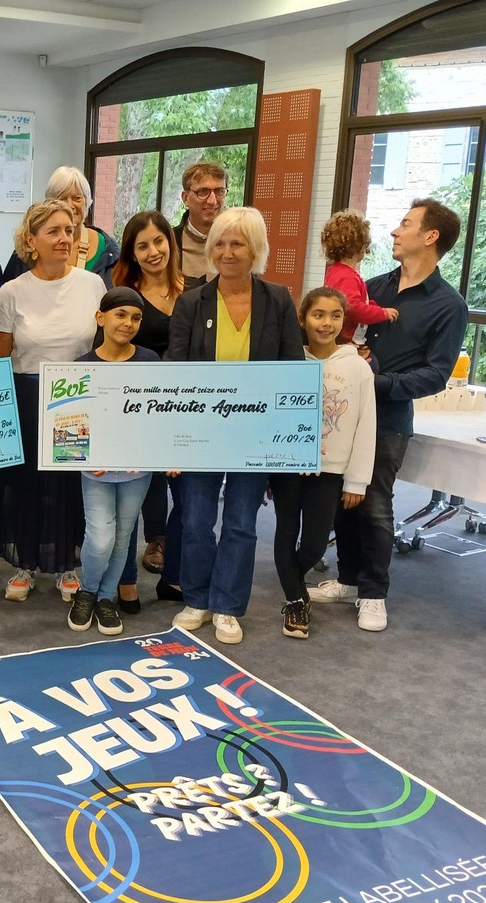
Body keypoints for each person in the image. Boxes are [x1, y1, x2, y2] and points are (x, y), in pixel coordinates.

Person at [310, 199, 468, 632]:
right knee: (341, 497)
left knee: (375, 504)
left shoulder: (448, 305)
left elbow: (435, 375)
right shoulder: (371, 287)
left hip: (390, 417)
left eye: (405, 224)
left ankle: (374, 592)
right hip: (342, 414)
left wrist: (371, 382)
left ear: (431, 237)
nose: (395, 232)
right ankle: (347, 579)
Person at [165, 206, 303, 646]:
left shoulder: (278, 300)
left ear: (256, 250)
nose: (227, 252)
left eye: (237, 243)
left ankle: (227, 605)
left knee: (242, 522)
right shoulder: (191, 302)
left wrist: (287, 444)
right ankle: (198, 599)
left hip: (254, 437)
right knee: (197, 519)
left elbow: (292, 370)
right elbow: (175, 373)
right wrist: (171, 443)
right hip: (200, 434)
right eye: (220, 243)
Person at [0, 199, 105, 602]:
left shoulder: (92, 285)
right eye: (53, 231)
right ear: (31, 240)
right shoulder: (11, 292)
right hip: (27, 397)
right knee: (26, 485)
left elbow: (105, 347)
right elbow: (0, 357)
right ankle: (26, 564)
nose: (63, 238)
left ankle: (67, 565)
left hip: (77, 399)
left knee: (70, 485)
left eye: (69, 230)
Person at [106, 210, 198, 609]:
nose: (152, 250)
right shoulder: (125, 297)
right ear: (132, 253)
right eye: (142, 245)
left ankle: (174, 576)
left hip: (187, 410)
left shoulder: (197, 291)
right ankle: (126, 581)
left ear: (170, 243)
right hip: (137, 411)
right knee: (129, 501)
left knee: (190, 499)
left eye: (158, 241)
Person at [272, 287, 375, 640]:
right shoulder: (288, 360)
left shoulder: (357, 368)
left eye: (335, 315)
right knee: (285, 531)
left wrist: (357, 481)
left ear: (344, 321)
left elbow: (365, 425)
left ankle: (292, 579)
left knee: (315, 544)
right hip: (286, 465)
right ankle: (296, 601)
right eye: (318, 314)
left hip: (330, 471)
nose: (326, 323)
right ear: (303, 319)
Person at [68, 288, 159, 638]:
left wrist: (149, 451)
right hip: (97, 471)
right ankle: (87, 590)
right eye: (121, 315)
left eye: (136, 317)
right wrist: (90, 456)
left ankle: (106, 597)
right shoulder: (81, 367)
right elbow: (72, 424)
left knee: (122, 537)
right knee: (101, 536)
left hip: (138, 469)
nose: (129, 323)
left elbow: (158, 415)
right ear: (100, 318)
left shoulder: (150, 362)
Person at [1, 167, 119, 287]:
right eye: (61, 199)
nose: (69, 205)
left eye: (77, 198)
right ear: (49, 204)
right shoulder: (29, 247)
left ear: (87, 201)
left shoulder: (108, 252)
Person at [320, 209, 399, 343]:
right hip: (345, 340)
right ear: (360, 245)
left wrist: (372, 307)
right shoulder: (347, 277)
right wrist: (382, 313)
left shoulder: (336, 272)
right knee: (373, 364)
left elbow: (357, 303)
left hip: (340, 339)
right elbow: (353, 308)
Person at [174, 162, 228, 279]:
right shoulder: (169, 243)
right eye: (203, 192)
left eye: (219, 191)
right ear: (185, 198)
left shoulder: (239, 242)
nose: (212, 201)